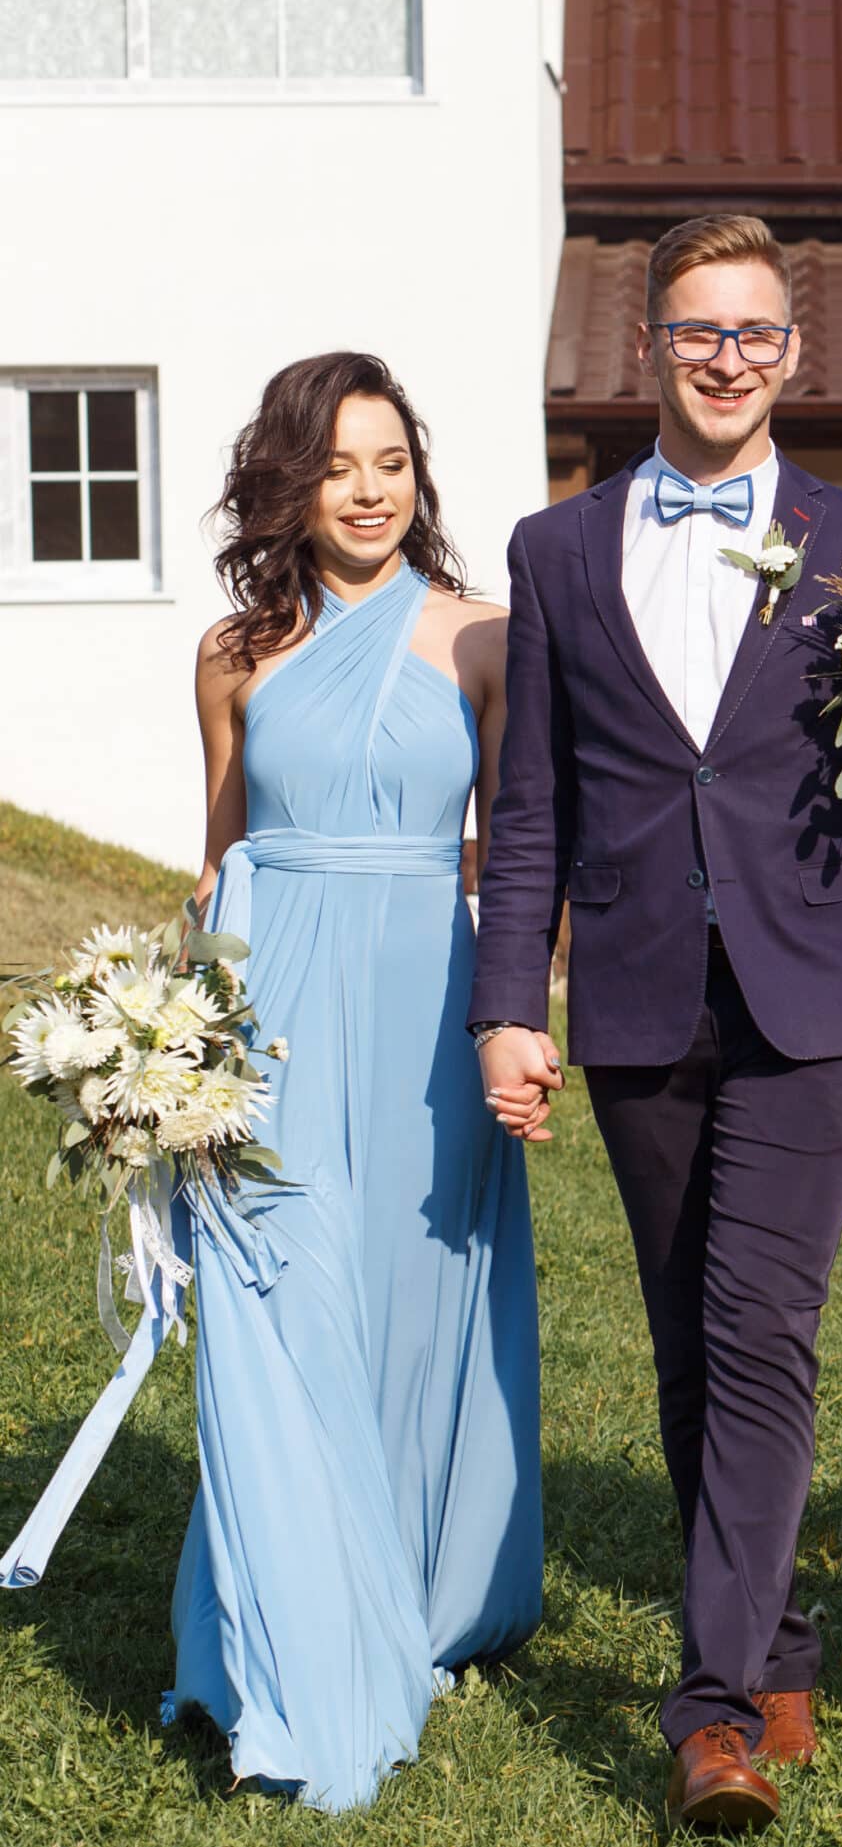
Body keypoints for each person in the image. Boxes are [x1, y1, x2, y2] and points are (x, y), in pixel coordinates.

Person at [470, 214, 842, 1831]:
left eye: (756, 332)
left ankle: (711, 1709)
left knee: (761, 1331)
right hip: (629, 999)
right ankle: (787, 1640)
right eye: (701, 330)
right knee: (691, 1341)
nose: (728, 357)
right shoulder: (557, 554)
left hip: (815, 998)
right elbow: (528, 801)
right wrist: (507, 1005)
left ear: (794, 351)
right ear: (653, 346)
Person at [179, 352, 539, 1809]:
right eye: (338, 465)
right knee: (276, 1299)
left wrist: (516, 1016)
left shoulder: (485, 641)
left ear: (421, 474)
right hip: (271, 1009)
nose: (371, 488)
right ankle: (285, 1610)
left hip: (427, 1001)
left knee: (405, 1291)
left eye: (391, 459)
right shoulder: (230, 651)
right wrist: (172, 1057)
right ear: (291, 484)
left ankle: (411, 1577)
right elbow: (213, 857)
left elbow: (518, 862)